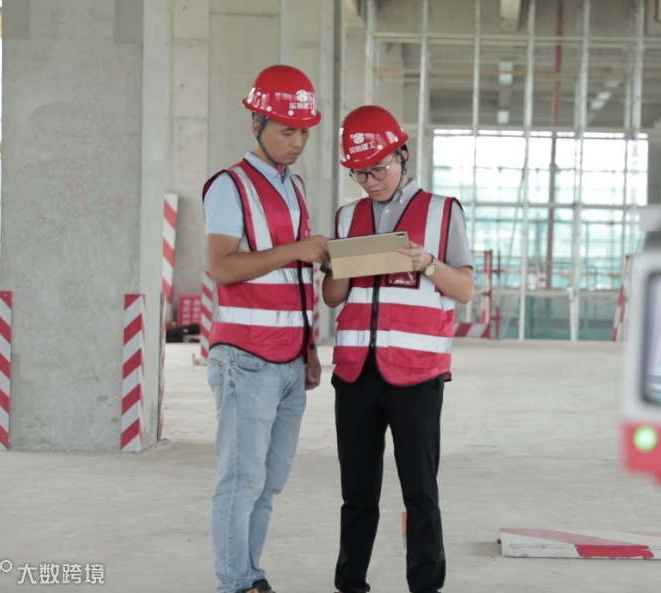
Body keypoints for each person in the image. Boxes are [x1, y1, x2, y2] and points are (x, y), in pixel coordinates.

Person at [323, 105, 476, 593]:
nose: (370, 182)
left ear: (402, 155)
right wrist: (338, 266)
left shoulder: (443, 211)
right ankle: (350, 584)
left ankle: (425, 587)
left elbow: (464, 288)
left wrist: (427, 262)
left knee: (420, 493)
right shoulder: (347, 217)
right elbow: (332, 297)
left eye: (378, 169)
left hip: (416, 375)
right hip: (355, 374)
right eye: (359, 173)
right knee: (357, 495)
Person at [202, 64, 328, 593]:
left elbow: (296, 280)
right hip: (246, 359)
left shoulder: (294, 187)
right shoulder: (229, 187)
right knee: (241, 481)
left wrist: (310, 349)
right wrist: (297, 248)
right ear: (257, 124)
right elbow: (223, 267)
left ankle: (251, 574)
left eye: (304, 132)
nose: (297, 141)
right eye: (287, 130)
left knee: (269, 484)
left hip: (289, 360)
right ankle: (234, 583)